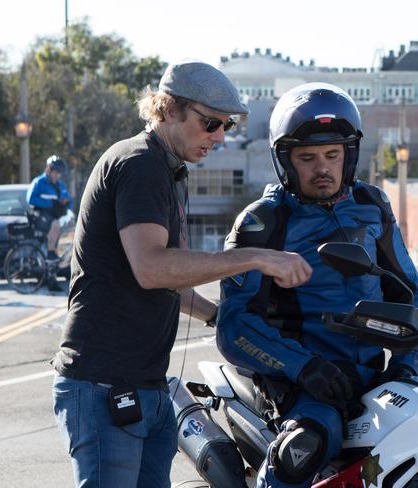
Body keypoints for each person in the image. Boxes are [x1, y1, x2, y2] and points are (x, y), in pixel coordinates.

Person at [50, 61, 312, 488]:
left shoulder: (166, 170)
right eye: (210, 123)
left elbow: (163, 278)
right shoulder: (140, 164)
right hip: (104, 386)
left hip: (146, 386)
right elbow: (153, 268)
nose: (219, 137)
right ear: (169, 109)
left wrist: (219, 317)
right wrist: (258, 257)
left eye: (225, 126)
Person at [217, 83, 418, 488]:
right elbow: (234, 325)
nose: (323, 168)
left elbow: (409, 294)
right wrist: (304, 367)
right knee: (300, 451)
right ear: (285, 161)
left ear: (349, 156)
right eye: (308, 158)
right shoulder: (263, 222)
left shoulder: (372, 206)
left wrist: (405, 366)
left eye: (333, 155)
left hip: (374, 380)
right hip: (302, 388)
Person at [26, 155, 72, 291]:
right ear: (49, 170)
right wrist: (50, 203)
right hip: (40, 217)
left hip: (53, 217)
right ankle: (51, 251)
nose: (58, 175)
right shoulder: (39, 182)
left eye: (60, 173)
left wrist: (66, 203)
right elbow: (31, 199)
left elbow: (68, 200)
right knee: (55, 224)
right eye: (56, 172)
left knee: (68, 225)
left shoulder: (60, 185)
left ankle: (57, 272)